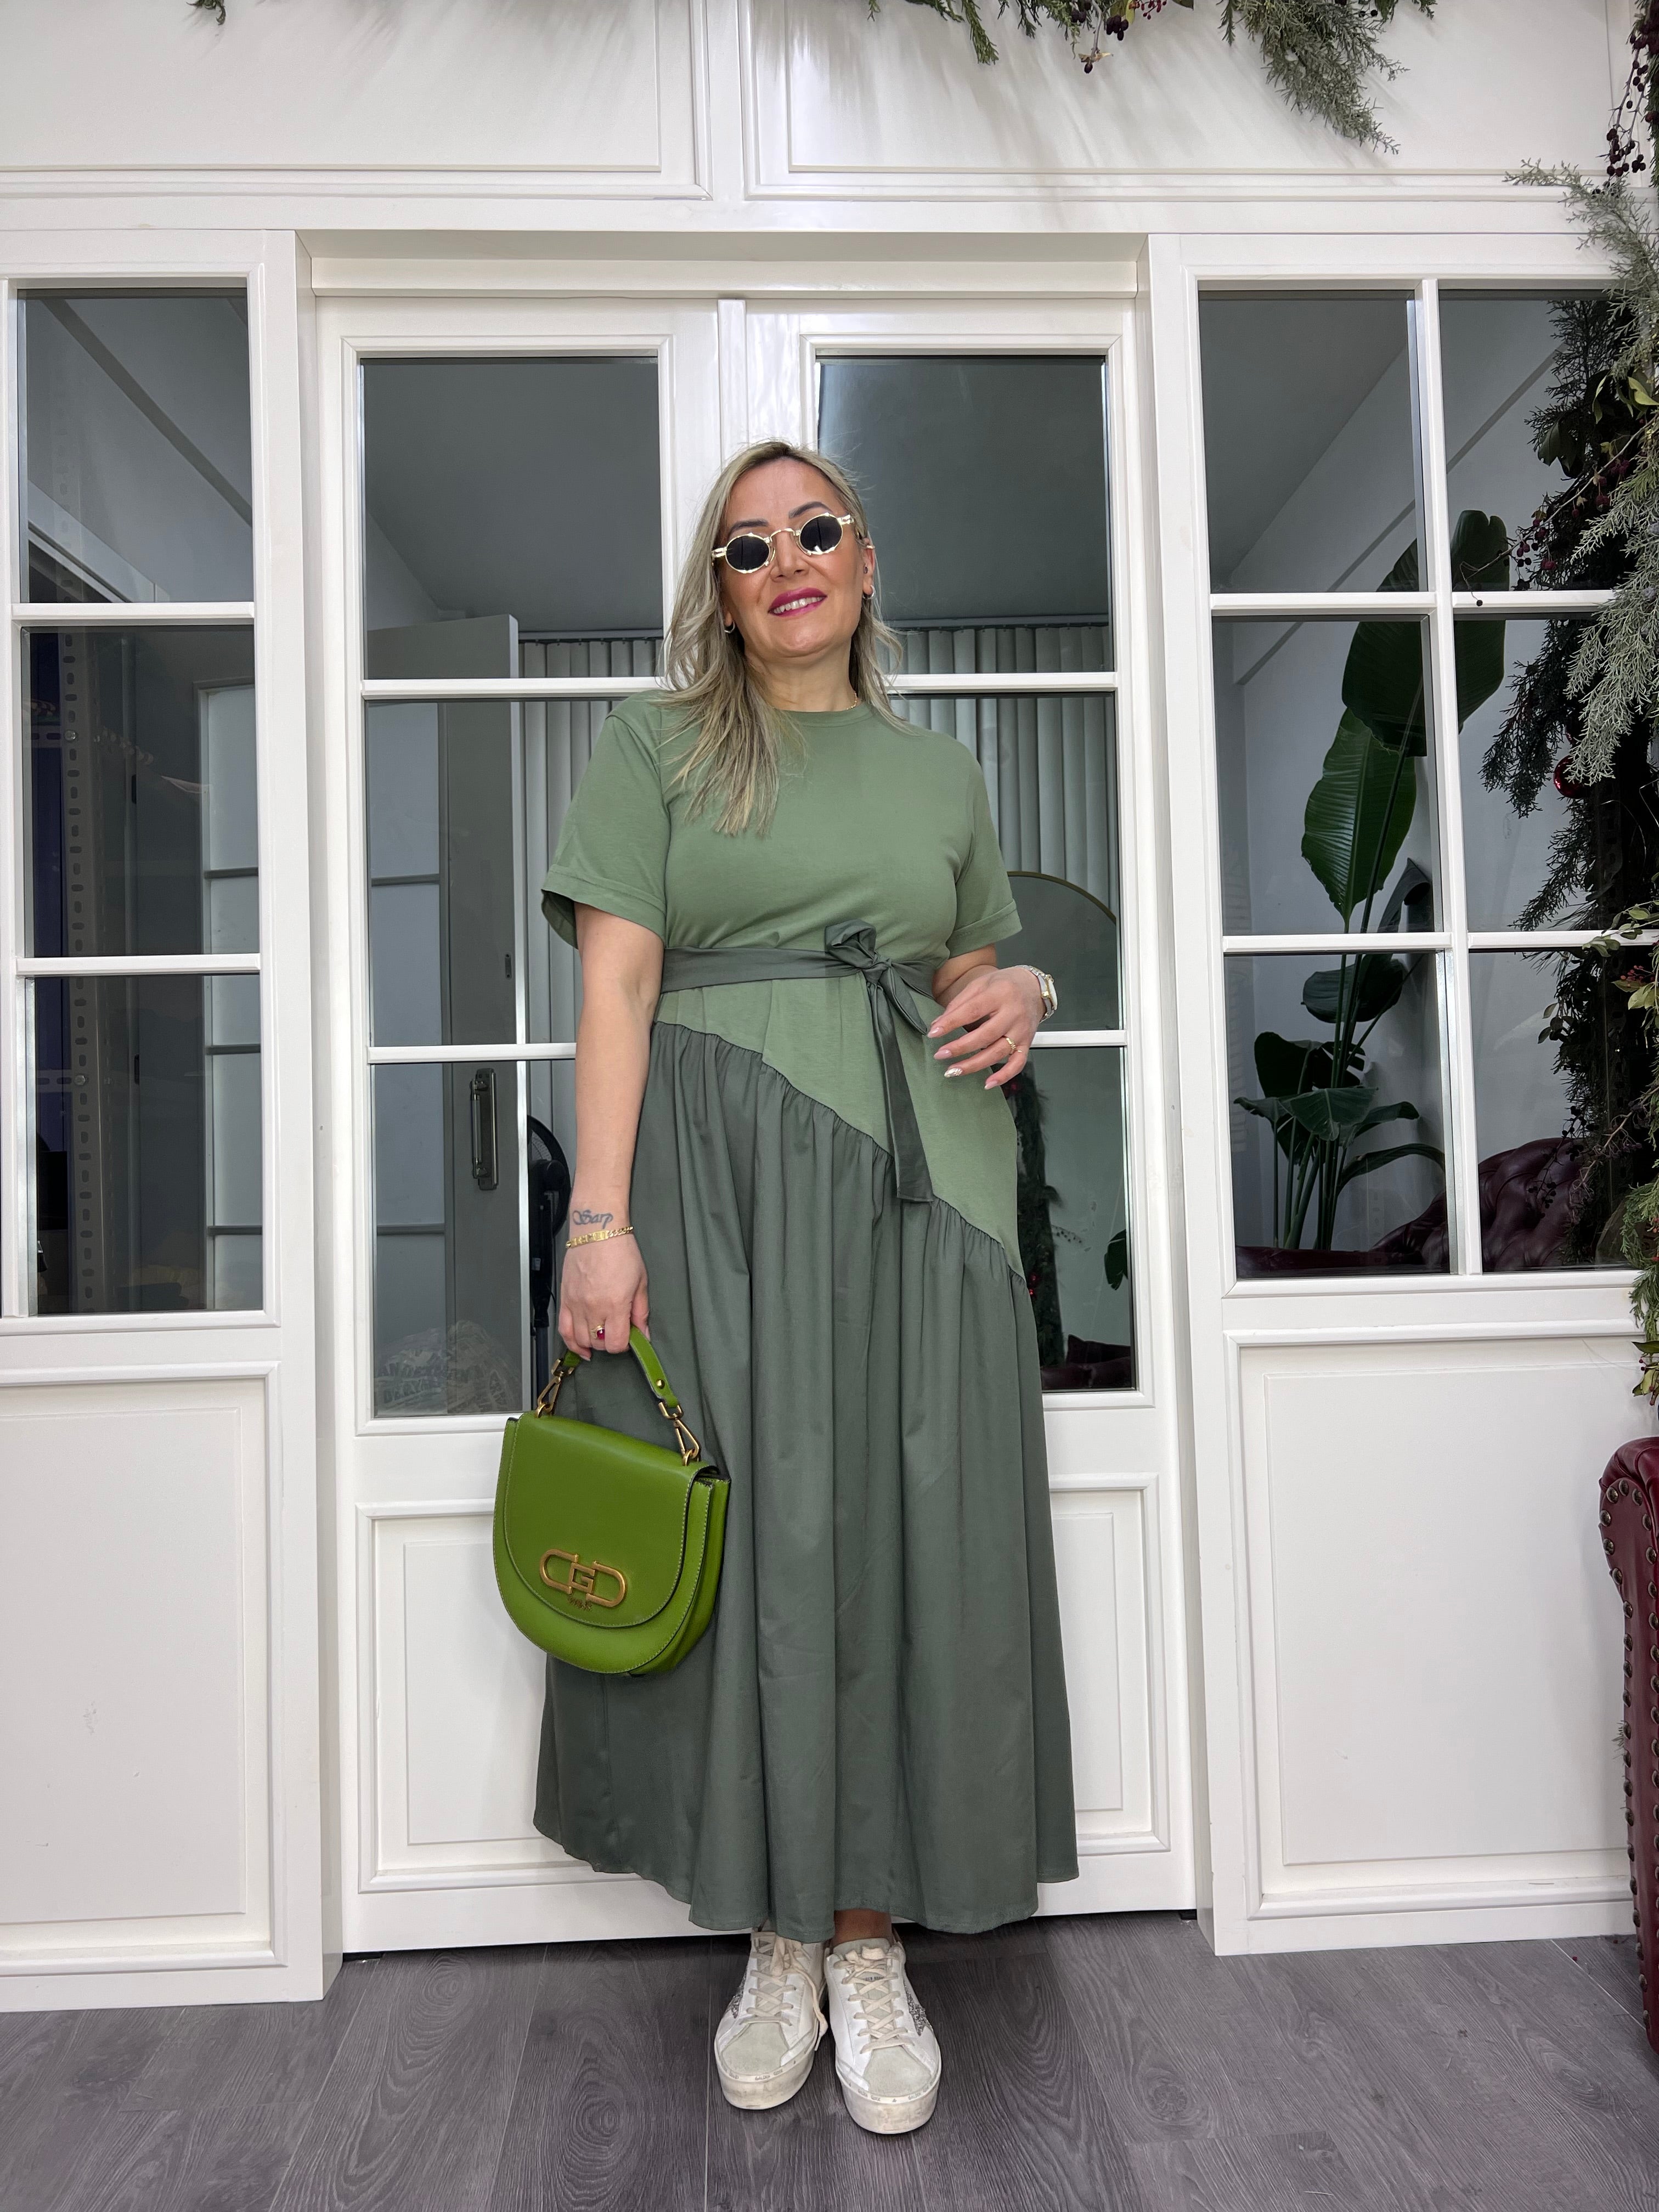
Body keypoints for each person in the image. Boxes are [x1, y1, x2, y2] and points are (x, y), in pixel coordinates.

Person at [534, 437, 1077, 2136]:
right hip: (722, 1188)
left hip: (931, 1192)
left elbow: (966, 966)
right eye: (749, 544)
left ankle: (867, 1940)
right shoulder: (658, 747)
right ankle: (779, 1937)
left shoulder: (942, 773)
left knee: (907, 1539)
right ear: (719, 588)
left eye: (816, 529)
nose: (789, 562)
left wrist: (1027, 989)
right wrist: (599, 1217)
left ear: (865, 559)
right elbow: (619, 990)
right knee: (766, 1538)